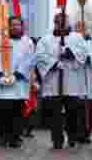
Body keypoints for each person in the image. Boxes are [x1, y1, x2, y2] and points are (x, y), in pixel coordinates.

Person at [35, 13, 88, 150]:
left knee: (73, 112)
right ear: (55, 23)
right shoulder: (45, 40)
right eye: (59, 22)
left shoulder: (77, 38)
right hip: (53, 82)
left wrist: (70, 53)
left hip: (71, 82)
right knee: (54, 113)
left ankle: (72, 136)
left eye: (64, 22)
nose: (62, 24)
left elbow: (83, 54)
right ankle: (57, 139)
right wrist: (53, 63)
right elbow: (40, 56)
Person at [0, 17, 35, 148]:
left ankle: (15, 137)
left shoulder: (28, 42)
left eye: (17, 25)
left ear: (22, 27)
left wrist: (17, 74)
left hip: (18, 83)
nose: (14, 27)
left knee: (17, 111)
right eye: (12, 25)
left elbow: (29, 60)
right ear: (8, 26)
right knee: (3, 111)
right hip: (2, 82)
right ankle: (3, 137)